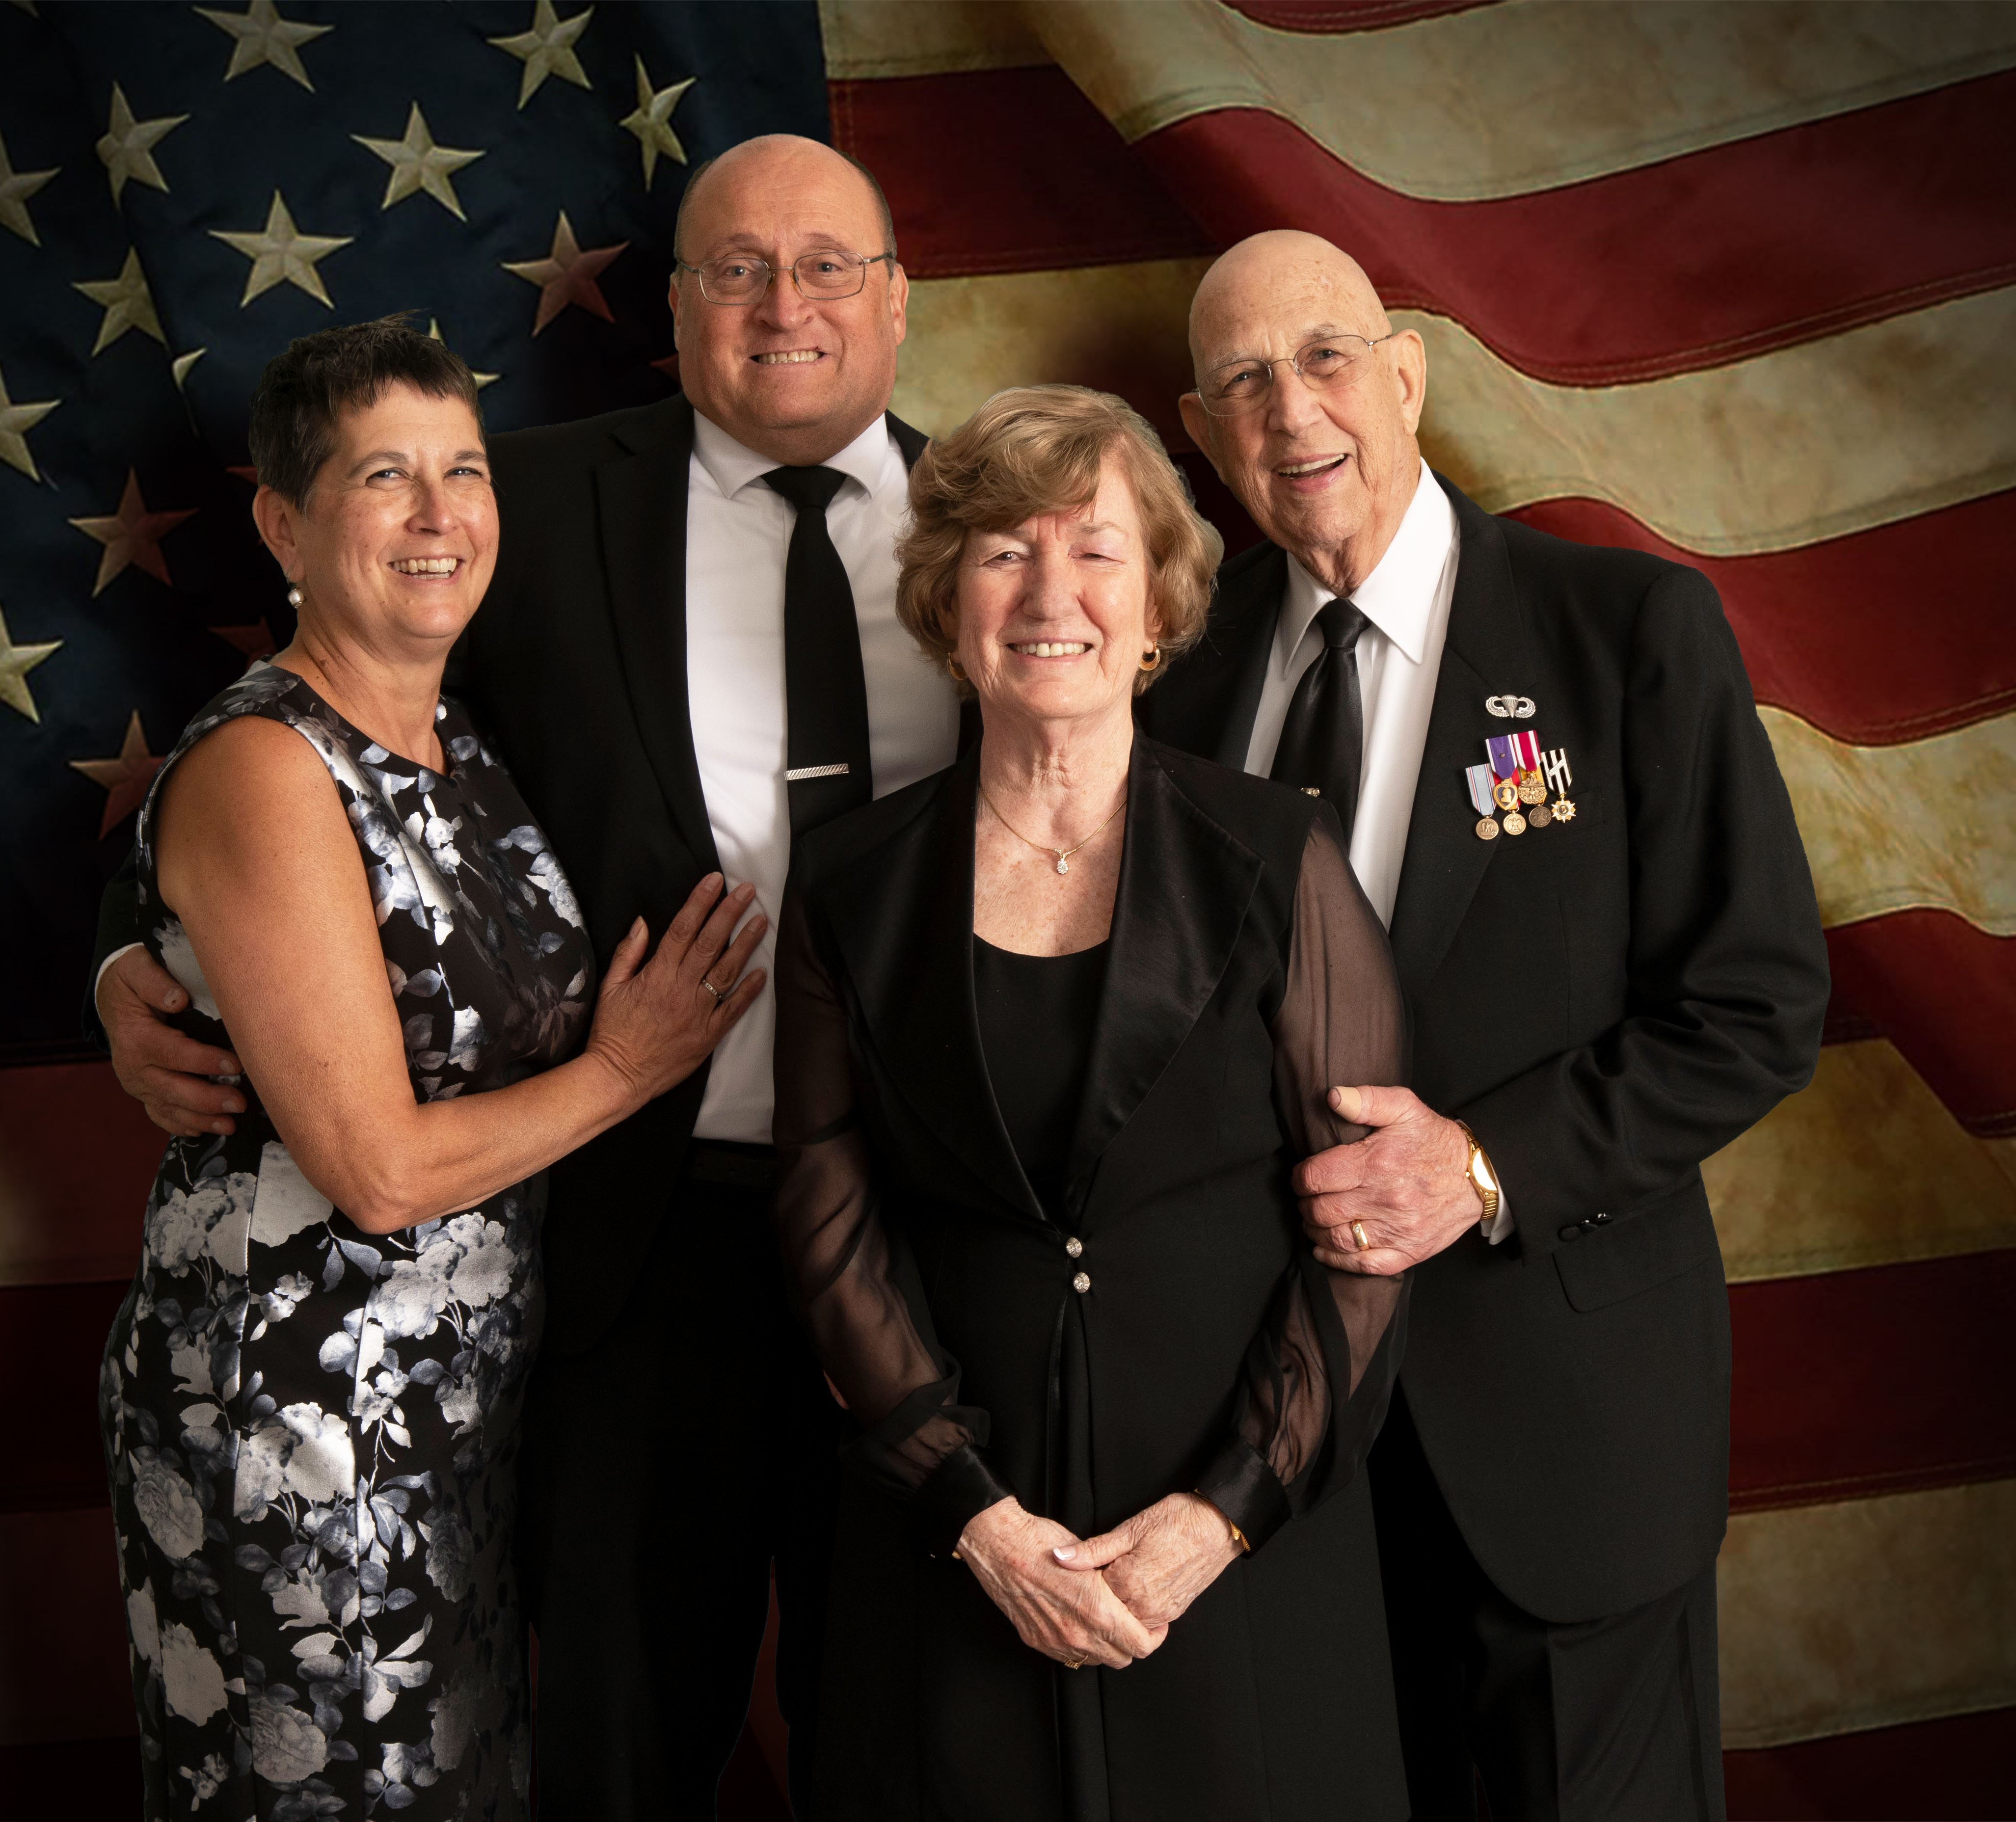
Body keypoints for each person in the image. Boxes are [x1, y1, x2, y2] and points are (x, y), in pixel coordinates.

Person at [87, 136, 959, 1814]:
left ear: (898, 300)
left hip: (919, 1230)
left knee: (900, 1738)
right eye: (734, 268)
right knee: (615, 1743)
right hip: (637, 1246)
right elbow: (277, 754)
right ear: (678, 309)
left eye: (827, 265)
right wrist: (126, 955)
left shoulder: (1013, 526)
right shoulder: (521, 507)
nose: (782, 304)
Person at [1140, 231, 1832, 1819]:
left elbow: (1757, 1005)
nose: (1292, 409)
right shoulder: (1177, 680)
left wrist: (1480, 1166)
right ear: (1201, 431)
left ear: (1408, 375)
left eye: (1326, 358)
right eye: (1244, 380)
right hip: (1276, 1462)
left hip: (1565, 1434)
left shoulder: (1624, 633)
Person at [100, 319, 766, 1818]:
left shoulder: (463, 732)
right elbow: (379, 1169)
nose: (438, 514)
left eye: (462, 470)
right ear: (287, 527)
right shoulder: (269, 765)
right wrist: (631, 1066)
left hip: (454, 1416)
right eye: (383, 477)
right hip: (300, 1420)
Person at [773, 383, 1414, 1821]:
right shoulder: (850, 883)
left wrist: (1220, 1516)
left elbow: (1366, 1235)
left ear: (1159, 602)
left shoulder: (1278, 856)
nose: (1049, 592)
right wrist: (976, 1518)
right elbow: (827, 1220)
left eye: (1096, 550)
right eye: (1004, 551)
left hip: (1240, 1554)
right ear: (948, 601)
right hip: (956, 1550)